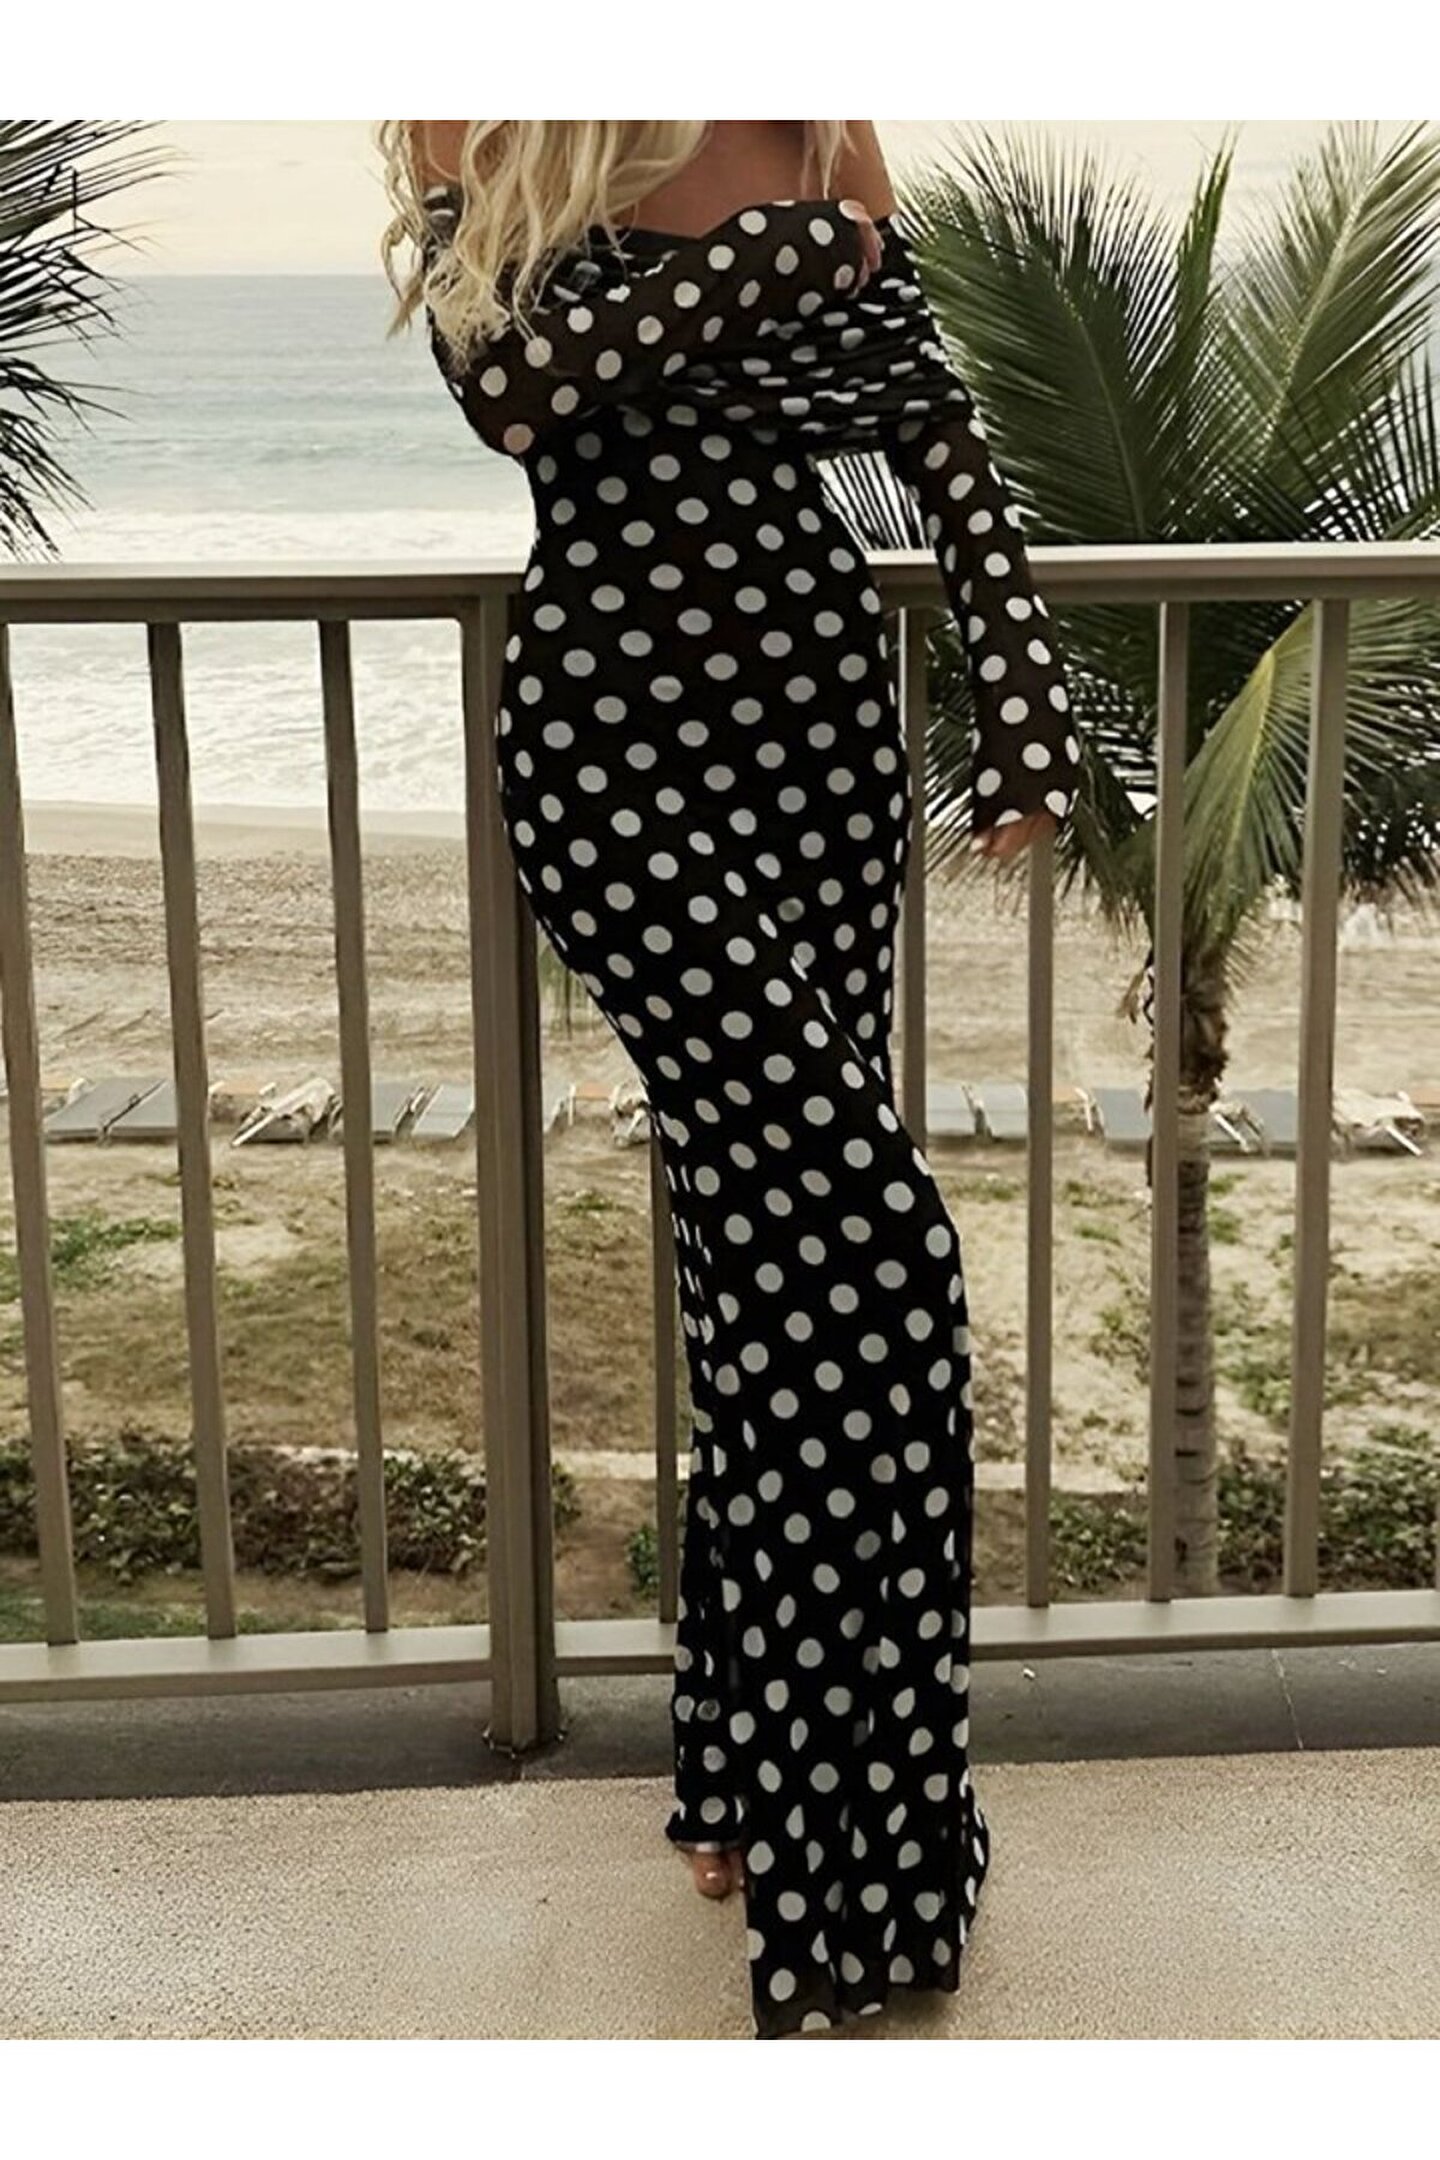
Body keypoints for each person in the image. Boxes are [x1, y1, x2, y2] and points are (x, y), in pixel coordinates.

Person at [380, 118, 1082, 2040]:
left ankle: (748, 1767)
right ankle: (861, 1847)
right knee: (885, 1270)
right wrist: (796, 259)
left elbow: (935, 434)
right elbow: (524, 389)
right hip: (618, 760)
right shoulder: (486, 119)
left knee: (769, 1289)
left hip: (823, 746)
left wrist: (1022, 710)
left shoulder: (816, 123)